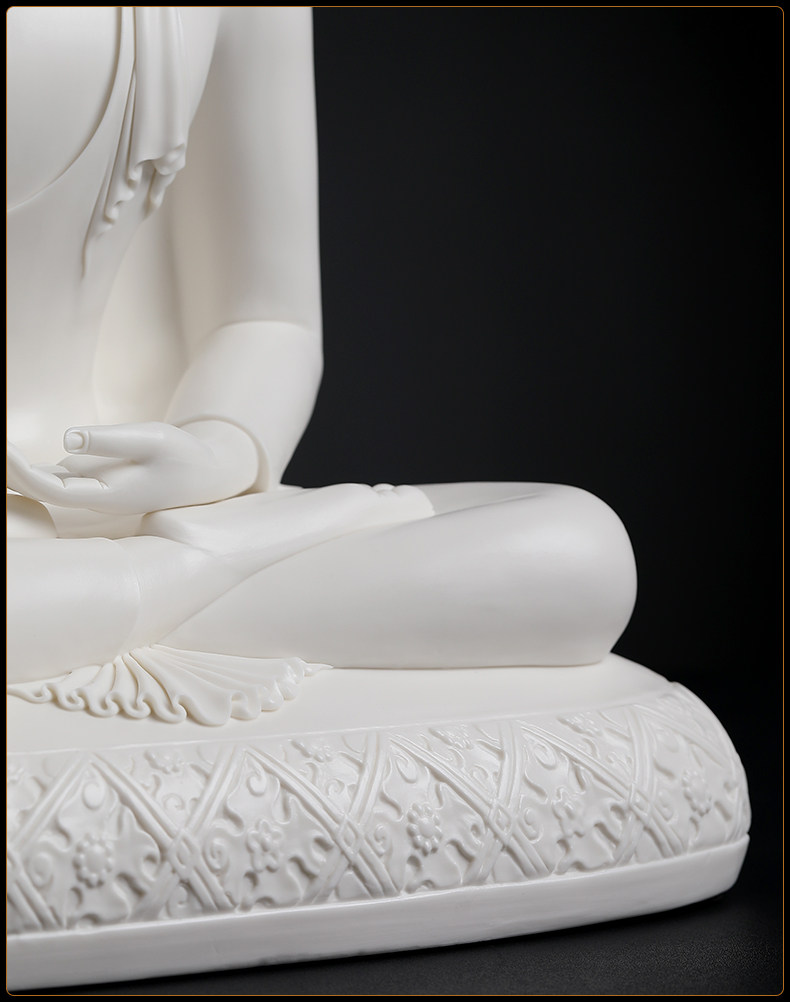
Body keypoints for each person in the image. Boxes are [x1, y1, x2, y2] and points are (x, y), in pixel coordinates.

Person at [7, 9, 636, 712]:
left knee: (581, 549)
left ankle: (120, 595)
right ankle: (160, 589)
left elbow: (264, 318)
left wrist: (219, 449)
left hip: (121, 500)